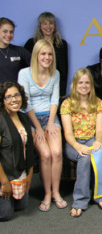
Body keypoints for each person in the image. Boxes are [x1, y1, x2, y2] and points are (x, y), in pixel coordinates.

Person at [18, 39, 67, 212]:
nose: (47, 57)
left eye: (50, 54)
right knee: (45, 155)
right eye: (43, 54)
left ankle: (56, 192)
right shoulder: (24, 73)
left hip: (51, 117)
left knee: (57, 153)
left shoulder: (56, 74)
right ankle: (47, 194)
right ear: (36, 55)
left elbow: (54, 99)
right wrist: (38, 127)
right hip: (32, 120)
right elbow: (25, 102)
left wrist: (51, 122)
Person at [60, 68, 102, 218]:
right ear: (75, 84)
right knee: (85, 156)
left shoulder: (98, 103)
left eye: (87, 82)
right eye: (80, 82)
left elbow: (100, 129)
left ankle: (100, 195)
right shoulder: (67, 104)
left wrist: (98, 141)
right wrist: (78, 146)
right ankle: (80, 201)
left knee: (100, 153)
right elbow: (68, 134)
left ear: (91, 85)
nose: (84, 85)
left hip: (90, 138)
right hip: (73, 143)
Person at [0, 81, 34, 221]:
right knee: (6, 214)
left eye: (16, 95)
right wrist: (4, 182)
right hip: (5, 174)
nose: (14, 99)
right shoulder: (1, 120)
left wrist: (30, 178)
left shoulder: (24, 117)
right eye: (8, 97)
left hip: (21, 173)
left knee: (22, 206)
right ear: (2, 100)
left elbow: (30, 150)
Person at [24, 12, 68, 97]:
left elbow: (63, 70)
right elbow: (26, 66)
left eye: (51, 23)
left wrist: (61, 92)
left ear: (54, 26)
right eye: (45, 24)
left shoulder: (62, 44)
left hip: (54, 87)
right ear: (40, 26)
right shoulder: (31, 43)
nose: (48, 27)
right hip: (35, 88)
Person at [0, 18, 31, 84]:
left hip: (16, 92)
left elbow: (37, 65)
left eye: (11, 32)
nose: (8, 35)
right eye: (5, 31)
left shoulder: (19, 51)